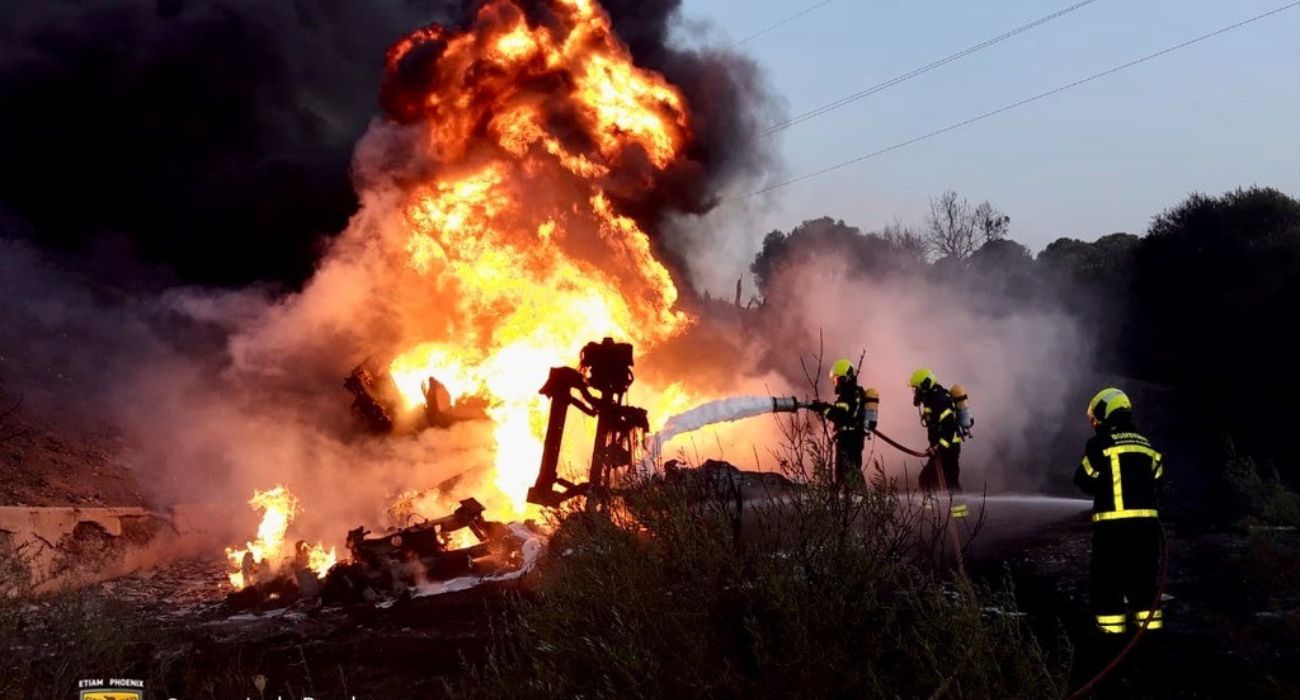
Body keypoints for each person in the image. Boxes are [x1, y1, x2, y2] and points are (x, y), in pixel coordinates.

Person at [1074, 387, 1165, 635]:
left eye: (1096, 416)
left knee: (1107, 585)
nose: (1094, 422)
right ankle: (1150, 639)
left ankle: (1111, 642)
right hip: (1148, 531)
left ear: (1106, 411)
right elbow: (1158, 478)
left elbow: (1083, 479)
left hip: (1113, 531)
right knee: (1145, 585)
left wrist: (1103, 487)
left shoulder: (1099, 444)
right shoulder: (1146, 445)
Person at [809, 359, 877, 489]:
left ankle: (853, 500)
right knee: (852, 469)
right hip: (853, 437)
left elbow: (840, 416)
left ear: (846, 379)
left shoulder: (848, 395)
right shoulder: (856, 393)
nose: (835, 384)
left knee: (846, 471)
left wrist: (823, 408)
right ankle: (856, 500)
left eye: (837, 379)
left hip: (848, 438)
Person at [909, 368, 966, 518]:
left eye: (917, 389)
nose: (915, 393)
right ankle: (933, 516)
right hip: (943, 447)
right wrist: (935, 446)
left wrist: (939, 447)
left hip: (949, 448)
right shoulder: (933, 399)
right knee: (931, 480)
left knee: (947, 482)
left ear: (926, 385)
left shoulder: (939, 401)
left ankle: (959, 518)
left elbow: (949, 427)